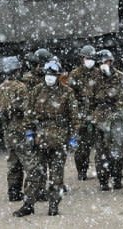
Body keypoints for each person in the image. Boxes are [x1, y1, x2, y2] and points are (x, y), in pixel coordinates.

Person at [14, 60, 79, 217]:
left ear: (58, 76)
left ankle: (54, 205)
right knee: (35, 173)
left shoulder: (67, 92)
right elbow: (28, 113)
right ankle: (28, 204)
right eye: (47, 74)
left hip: (59, 139)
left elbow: (75, 117)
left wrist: (73, 137)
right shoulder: (36, 90)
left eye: (53, 75)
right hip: (40, 139)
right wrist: (29, 132)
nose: (49, 77)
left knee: (56, 176)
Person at [92, 49, 123, 191]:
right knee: (101, 152)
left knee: (118, 150)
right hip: (100, 119)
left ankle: (117, 178)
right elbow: (89, 99)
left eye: (108, 61)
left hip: (117, 119)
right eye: (103, 61)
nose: (106, 64)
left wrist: (121, 112)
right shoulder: (94, 79)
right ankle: (103, 180)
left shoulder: (121, 77)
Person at [21, 48, 53, 201]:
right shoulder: (29, 81)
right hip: (33, 124)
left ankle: (40, 191)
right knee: (34, 163)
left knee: (42, 160)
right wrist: (29, 129)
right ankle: (32, 193)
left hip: (41, 125)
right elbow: (28, 106)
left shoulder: (43, 79)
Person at [0, 57, 28, 202]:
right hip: (20, 129)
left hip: (8, 129)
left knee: (13, 162)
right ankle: (34, 191)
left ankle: (13, 193)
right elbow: (26, 109)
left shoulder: (1, 87)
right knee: (30, 162)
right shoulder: (20, 87)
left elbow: (2, 110)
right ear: (17, 70)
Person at [69, 45, 99, 181]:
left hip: (97, 114)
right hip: (81, 115)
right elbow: (71, 95)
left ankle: (103, 173)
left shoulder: (98, 73)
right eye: (87, 58)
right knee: (82, 148)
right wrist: (76, 114)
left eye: (91, 59)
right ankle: (82, 171)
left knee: (101, 146)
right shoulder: (75, 74)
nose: (89, 61)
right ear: (82, 59)